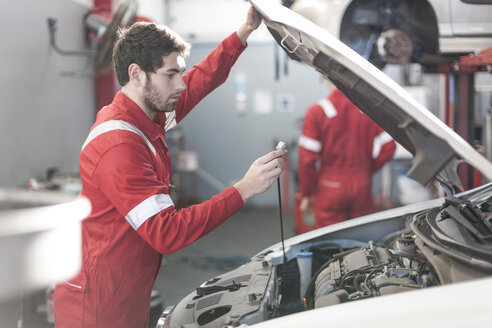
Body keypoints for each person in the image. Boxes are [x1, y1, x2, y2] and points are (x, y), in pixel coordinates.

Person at [53, 7, 287, 328]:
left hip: (126, 286)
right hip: (99, 304)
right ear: (136, 75)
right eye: (170, 74)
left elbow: (201, 80)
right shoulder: (119, 144)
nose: (180, 85)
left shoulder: (150, 115)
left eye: (180, 72)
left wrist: (244, 32)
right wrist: (243, 190)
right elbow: (167, 232)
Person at [297, 79, 396, 228]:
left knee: (331, 240)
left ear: (327, 81)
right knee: (363, 236)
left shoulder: (316, 112)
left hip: (329, 186)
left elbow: (307, 159)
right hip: (362, 184)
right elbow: (389, 146)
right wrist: (368, 169)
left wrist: (305, 194)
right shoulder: (368, 110)